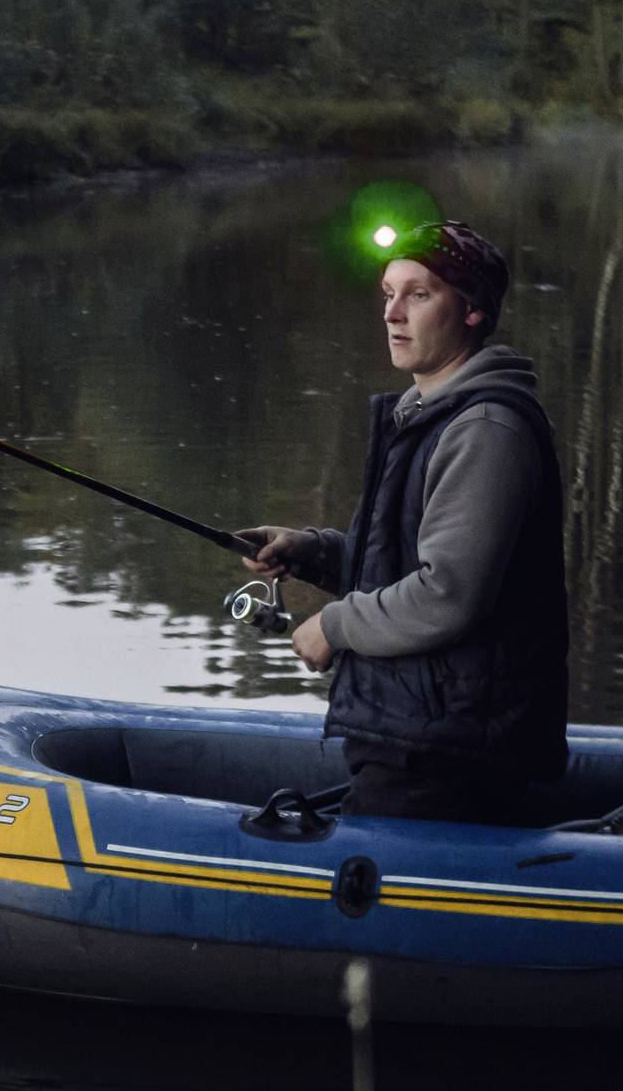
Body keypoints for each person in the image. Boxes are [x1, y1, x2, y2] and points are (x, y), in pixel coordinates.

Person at [237, 220, 567, 825]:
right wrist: (312, 551)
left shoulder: (485, 429)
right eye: (388, 294)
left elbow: (448, 593)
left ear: (471, 310)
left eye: (419, 295)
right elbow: (408, 563)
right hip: (421, 732)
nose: (392, 314)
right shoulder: (430, 414)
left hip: (450, 751)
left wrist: (334, 625)